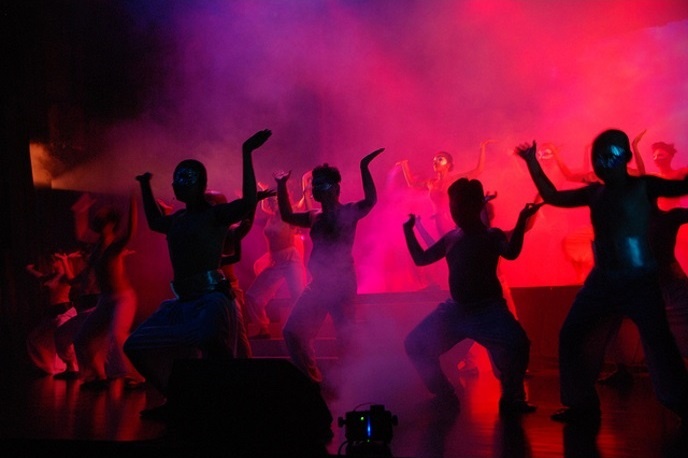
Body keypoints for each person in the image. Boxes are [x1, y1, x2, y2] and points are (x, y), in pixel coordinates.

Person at [515, 130, 688, 425]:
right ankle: (581, 403)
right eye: (598, 157)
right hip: (604, 279)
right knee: (572, 334)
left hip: (639, 279)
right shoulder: (595, 193)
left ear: (626, 158)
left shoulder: (644, 185)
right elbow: (552, 196)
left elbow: (681, 186)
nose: (602, 163)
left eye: (610, 156)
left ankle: (682, 403)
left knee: (660, 345)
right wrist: (532, 162)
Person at [123, 129, 271, 412]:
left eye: (186, 178)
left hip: (212, 299)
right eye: (177, 178)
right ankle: (180, 399)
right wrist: (145, 186)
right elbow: (154, 221)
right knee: (135, 345)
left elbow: (248, 203)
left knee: (214, 347)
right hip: (182, 302)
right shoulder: (177, 219)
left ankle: (229, 407)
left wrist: (247, 153)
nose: (179, 183)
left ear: (201, 184)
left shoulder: (214, 215)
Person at [403, 178, 541, 414]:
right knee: (414, 344)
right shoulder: (452, 238)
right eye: (453, 206)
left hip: (488, 310)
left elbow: (511, 253)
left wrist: (520, 223)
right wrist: (408, 232)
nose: (455, 212)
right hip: (456, 310)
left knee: (518, 345)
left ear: (476, 206)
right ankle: (444, 393)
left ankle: (513, 398)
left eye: (460, 206)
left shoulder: (491, 235)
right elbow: (421, 258)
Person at [274, 148, 383, 393]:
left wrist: (364, 168)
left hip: (342, 283)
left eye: (321, 184)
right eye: (314, 185)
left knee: (346, 338)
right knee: (293, 332)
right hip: (319, 285)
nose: (315, 189)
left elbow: (370, 201)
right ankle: (313, 382)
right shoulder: (314, 216)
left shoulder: (348, 211)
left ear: (335, 188)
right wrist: (281, 185)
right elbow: (287, 215)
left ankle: (351, 389)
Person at [72, 195, 142, 390]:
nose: (99, 220)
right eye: (98, 219)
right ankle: (97, 376)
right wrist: (81, 210)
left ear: (111, 224)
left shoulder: (114, 246)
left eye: (103, 219)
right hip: (106, 301)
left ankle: (136, 377)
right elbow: (81, 233)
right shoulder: (96, 246)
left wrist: (133, 200)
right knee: (81, 339)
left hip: (123, 299)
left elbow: (130, 231)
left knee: (117, 335)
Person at [245, 184, 306, 339]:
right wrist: (262, 192)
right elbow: (263, 206)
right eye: (271, 200)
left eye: (276, 199)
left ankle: (302, 330)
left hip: (291, 259)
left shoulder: (290, 213)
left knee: (299, 295)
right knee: (252, 295)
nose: (272, 202)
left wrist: (305, 187)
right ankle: (262, 328)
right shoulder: (271, 216)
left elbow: (303, 204)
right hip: (276, 261)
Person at [25, 251, 78, 376]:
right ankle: (51, 367)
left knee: (64, 340)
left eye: (54, 261)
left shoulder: (65, 276)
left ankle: (72, 367)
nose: (52, 263)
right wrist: (29, 270)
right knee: (35, 339)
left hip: (64, 313)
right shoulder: (50, 277)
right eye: (51, 261)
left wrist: (65, 260)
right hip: (51, 315)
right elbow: (39, 277)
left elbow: (72, 280)